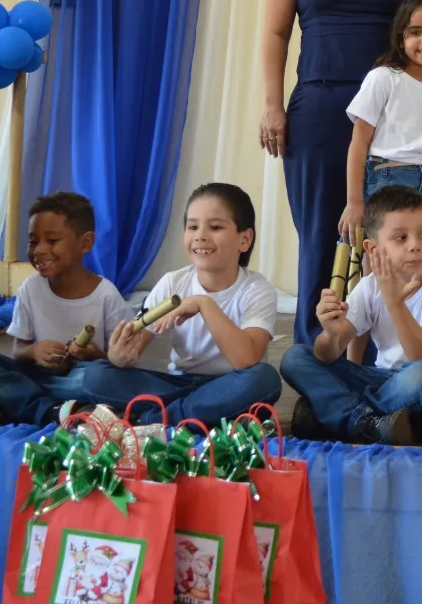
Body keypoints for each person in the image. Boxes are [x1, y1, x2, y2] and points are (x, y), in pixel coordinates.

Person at [260, 0, 422, 344]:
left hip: (395, 114)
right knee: (323, 233)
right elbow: (275, 32)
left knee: (392, 237)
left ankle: (383, 354)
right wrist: (272, 106)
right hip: (319, 107)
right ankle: (315, 350)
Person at [74, 183, 283, 426]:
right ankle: (197, 416)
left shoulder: (258, 290)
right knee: (97, 376)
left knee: (264, 379)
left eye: (215, 227)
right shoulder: (173, 282)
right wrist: (118, 357)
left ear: (244, 240)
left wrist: (204, 303)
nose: (200, 235)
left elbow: (245, 360)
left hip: (231, 385)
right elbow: (135, 343)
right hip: (177, 385)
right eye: (192, 227)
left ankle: (149, 419)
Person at [279, 186, 422, 445]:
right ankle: (368, 422)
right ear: (372, 249)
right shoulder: (369, 286)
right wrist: (332, 333)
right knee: (296, 358)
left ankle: (338, 415)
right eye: (401, 238)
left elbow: (421, 356)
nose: (415, 245)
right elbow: (327, 355)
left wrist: (395, 302)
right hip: (383, 382)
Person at [0, 192, 130, 424]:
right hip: (39, 377)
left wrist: (94, 355)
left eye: (52, 241)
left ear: (85, 243)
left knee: (100, 378)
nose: (38, 250)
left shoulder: (106, 295)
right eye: (33, 241)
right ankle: (56, 411)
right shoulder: (31, 288)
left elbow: (120, 363)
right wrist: (34, 351)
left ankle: (17, 406)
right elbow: (19, 351)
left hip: (81, 379)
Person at [340, 0, 422, 249]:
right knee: (382, 256)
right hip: (388, 177)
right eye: (415, 32)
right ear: (400, 37)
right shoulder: (383, 78)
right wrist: (354, 202)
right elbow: (359, 142)